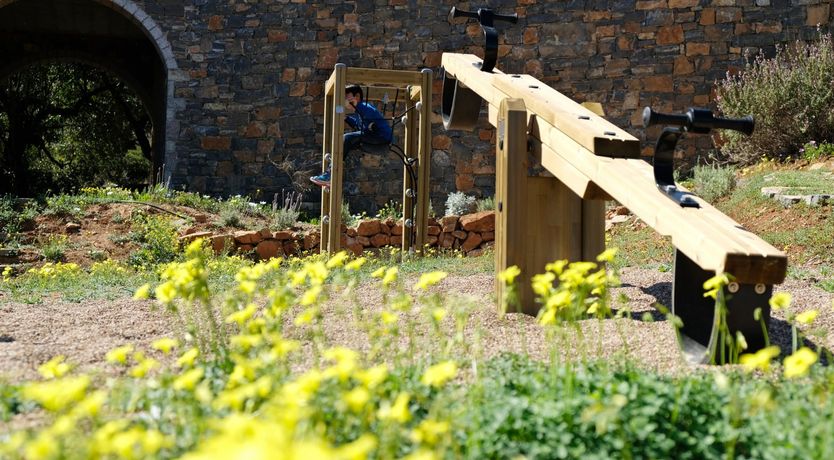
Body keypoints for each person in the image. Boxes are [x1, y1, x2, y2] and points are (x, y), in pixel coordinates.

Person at [310, 84, 393, 187]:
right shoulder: (360, 111)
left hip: (381, 139)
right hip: (375, 138)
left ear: (357, 96)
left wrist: (356, 106)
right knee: (344, 142)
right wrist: (346, 118)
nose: (344, 99)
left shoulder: (364, 106)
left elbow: (368, 119)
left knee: (346, 138)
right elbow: (359, 127)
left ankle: (331, 174)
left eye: (347, 96)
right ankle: (332, 171)